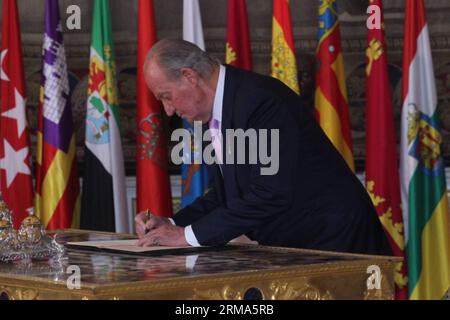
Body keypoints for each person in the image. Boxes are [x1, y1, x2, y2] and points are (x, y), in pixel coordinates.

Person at [135, 39, 391, 255]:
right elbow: (227, 194)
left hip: (336, 241)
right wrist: (171, 224)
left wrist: (185, 236)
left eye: (166, 96)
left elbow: (270, 193)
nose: (168, 110)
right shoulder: (214, 111)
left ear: (189, 76)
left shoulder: (259, 100)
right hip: (297, 244)